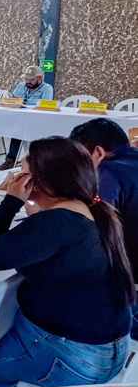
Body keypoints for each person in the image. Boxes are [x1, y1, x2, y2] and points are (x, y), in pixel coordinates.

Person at [0, 137, 133, 387]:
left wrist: (11, 203)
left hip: (71, 354)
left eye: (22, 171)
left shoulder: (57, 222)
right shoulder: (92, 210)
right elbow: (42, 252)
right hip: (108, 349)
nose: (16, 178)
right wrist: (4, 235)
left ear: (38, 181)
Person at [70, 119, 138, 280]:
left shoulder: (107, 173)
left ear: (98, 153)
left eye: (79, 157)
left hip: (127, 268)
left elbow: (94, 225)